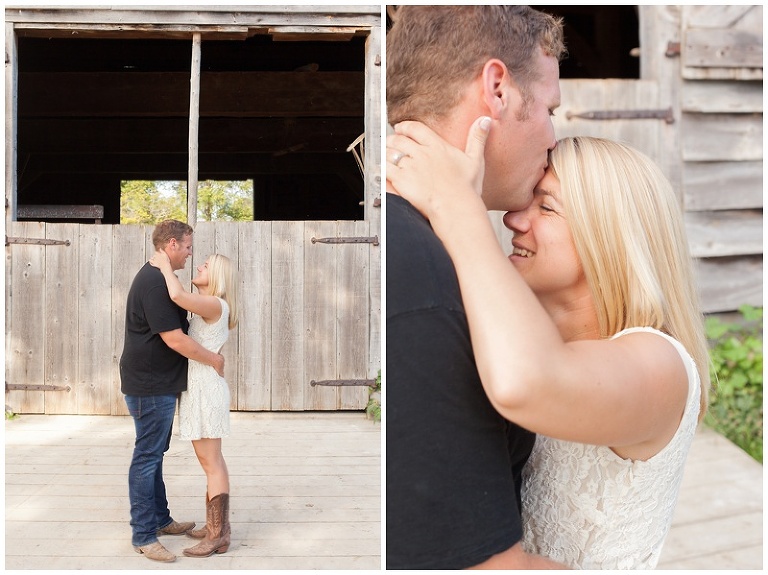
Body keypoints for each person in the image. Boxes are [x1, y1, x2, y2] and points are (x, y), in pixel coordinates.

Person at [386, 119, 711, 569]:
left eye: (547, 207)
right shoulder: (520, 340)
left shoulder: (662, 364)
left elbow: (526, 383)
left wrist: (457, 207)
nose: (513, 219)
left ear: (609, 234)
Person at [385, 5, 567, 570]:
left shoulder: (423, 241)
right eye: (551, 109)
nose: (553, 137)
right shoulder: (423, 274)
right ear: (497, 89)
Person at [119, 219, 225, 563]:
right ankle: (144, 536)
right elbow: (175, 339)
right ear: (172, 245)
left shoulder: (163, 278)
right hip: (150, 384)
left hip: (159, 382)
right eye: (188, 247)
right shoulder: (154, 282)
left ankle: (161, 519)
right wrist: (214, 359)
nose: (191, 254)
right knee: (147, 455)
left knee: (154, 453)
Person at [149, 250, 239, 558]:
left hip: (206, 391)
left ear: (217, 277)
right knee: (211, 461)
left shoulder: (215, 304)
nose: (198, 266)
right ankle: (219, 528)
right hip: (200, 388)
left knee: (211, 463)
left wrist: (164, 265)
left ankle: (217, 534)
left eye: (206, 265)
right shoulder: (208, 306)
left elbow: (176, 295)